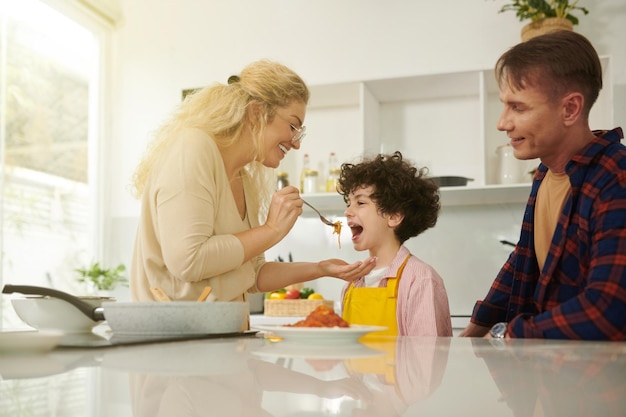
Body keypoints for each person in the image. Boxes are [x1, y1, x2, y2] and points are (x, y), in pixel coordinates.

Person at [129, 59, 376, 305]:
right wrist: (271, 230)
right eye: (293, 126)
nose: (296, 143)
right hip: (174, 339)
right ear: (257, 112)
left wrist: (321, 268)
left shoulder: (244, 179)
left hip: (219, 336)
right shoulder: (192, 147)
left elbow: (254, 275)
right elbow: (189, 261)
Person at [459, 31, 626, 340]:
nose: (502, 122)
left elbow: (609, 308)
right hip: (552, 378)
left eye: (518, 107)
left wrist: (510, 334)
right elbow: (525, 257)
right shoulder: (545, 174)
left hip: (600, 384)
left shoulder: (616, 176)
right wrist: (477, 325)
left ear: (570, 109)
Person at [338, 151, 452, 336]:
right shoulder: (352, 286)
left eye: (360, 202)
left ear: (394, 216)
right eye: (348, 203)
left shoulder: (420, 280)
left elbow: (427, 358)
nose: (347, 212)